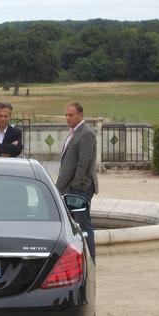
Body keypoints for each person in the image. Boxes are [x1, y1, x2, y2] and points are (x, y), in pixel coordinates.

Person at [56, 102, 99, 261]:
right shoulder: (74, 132)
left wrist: (76, 186)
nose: (67, 118)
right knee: (73, 225)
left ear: (80, 115)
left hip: (80, 188)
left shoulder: (86, 133)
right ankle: (79, 259)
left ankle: (90, 260)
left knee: (83, 225)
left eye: (71, 115)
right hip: (72, 187)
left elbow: (84, 163)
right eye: (66, 115)